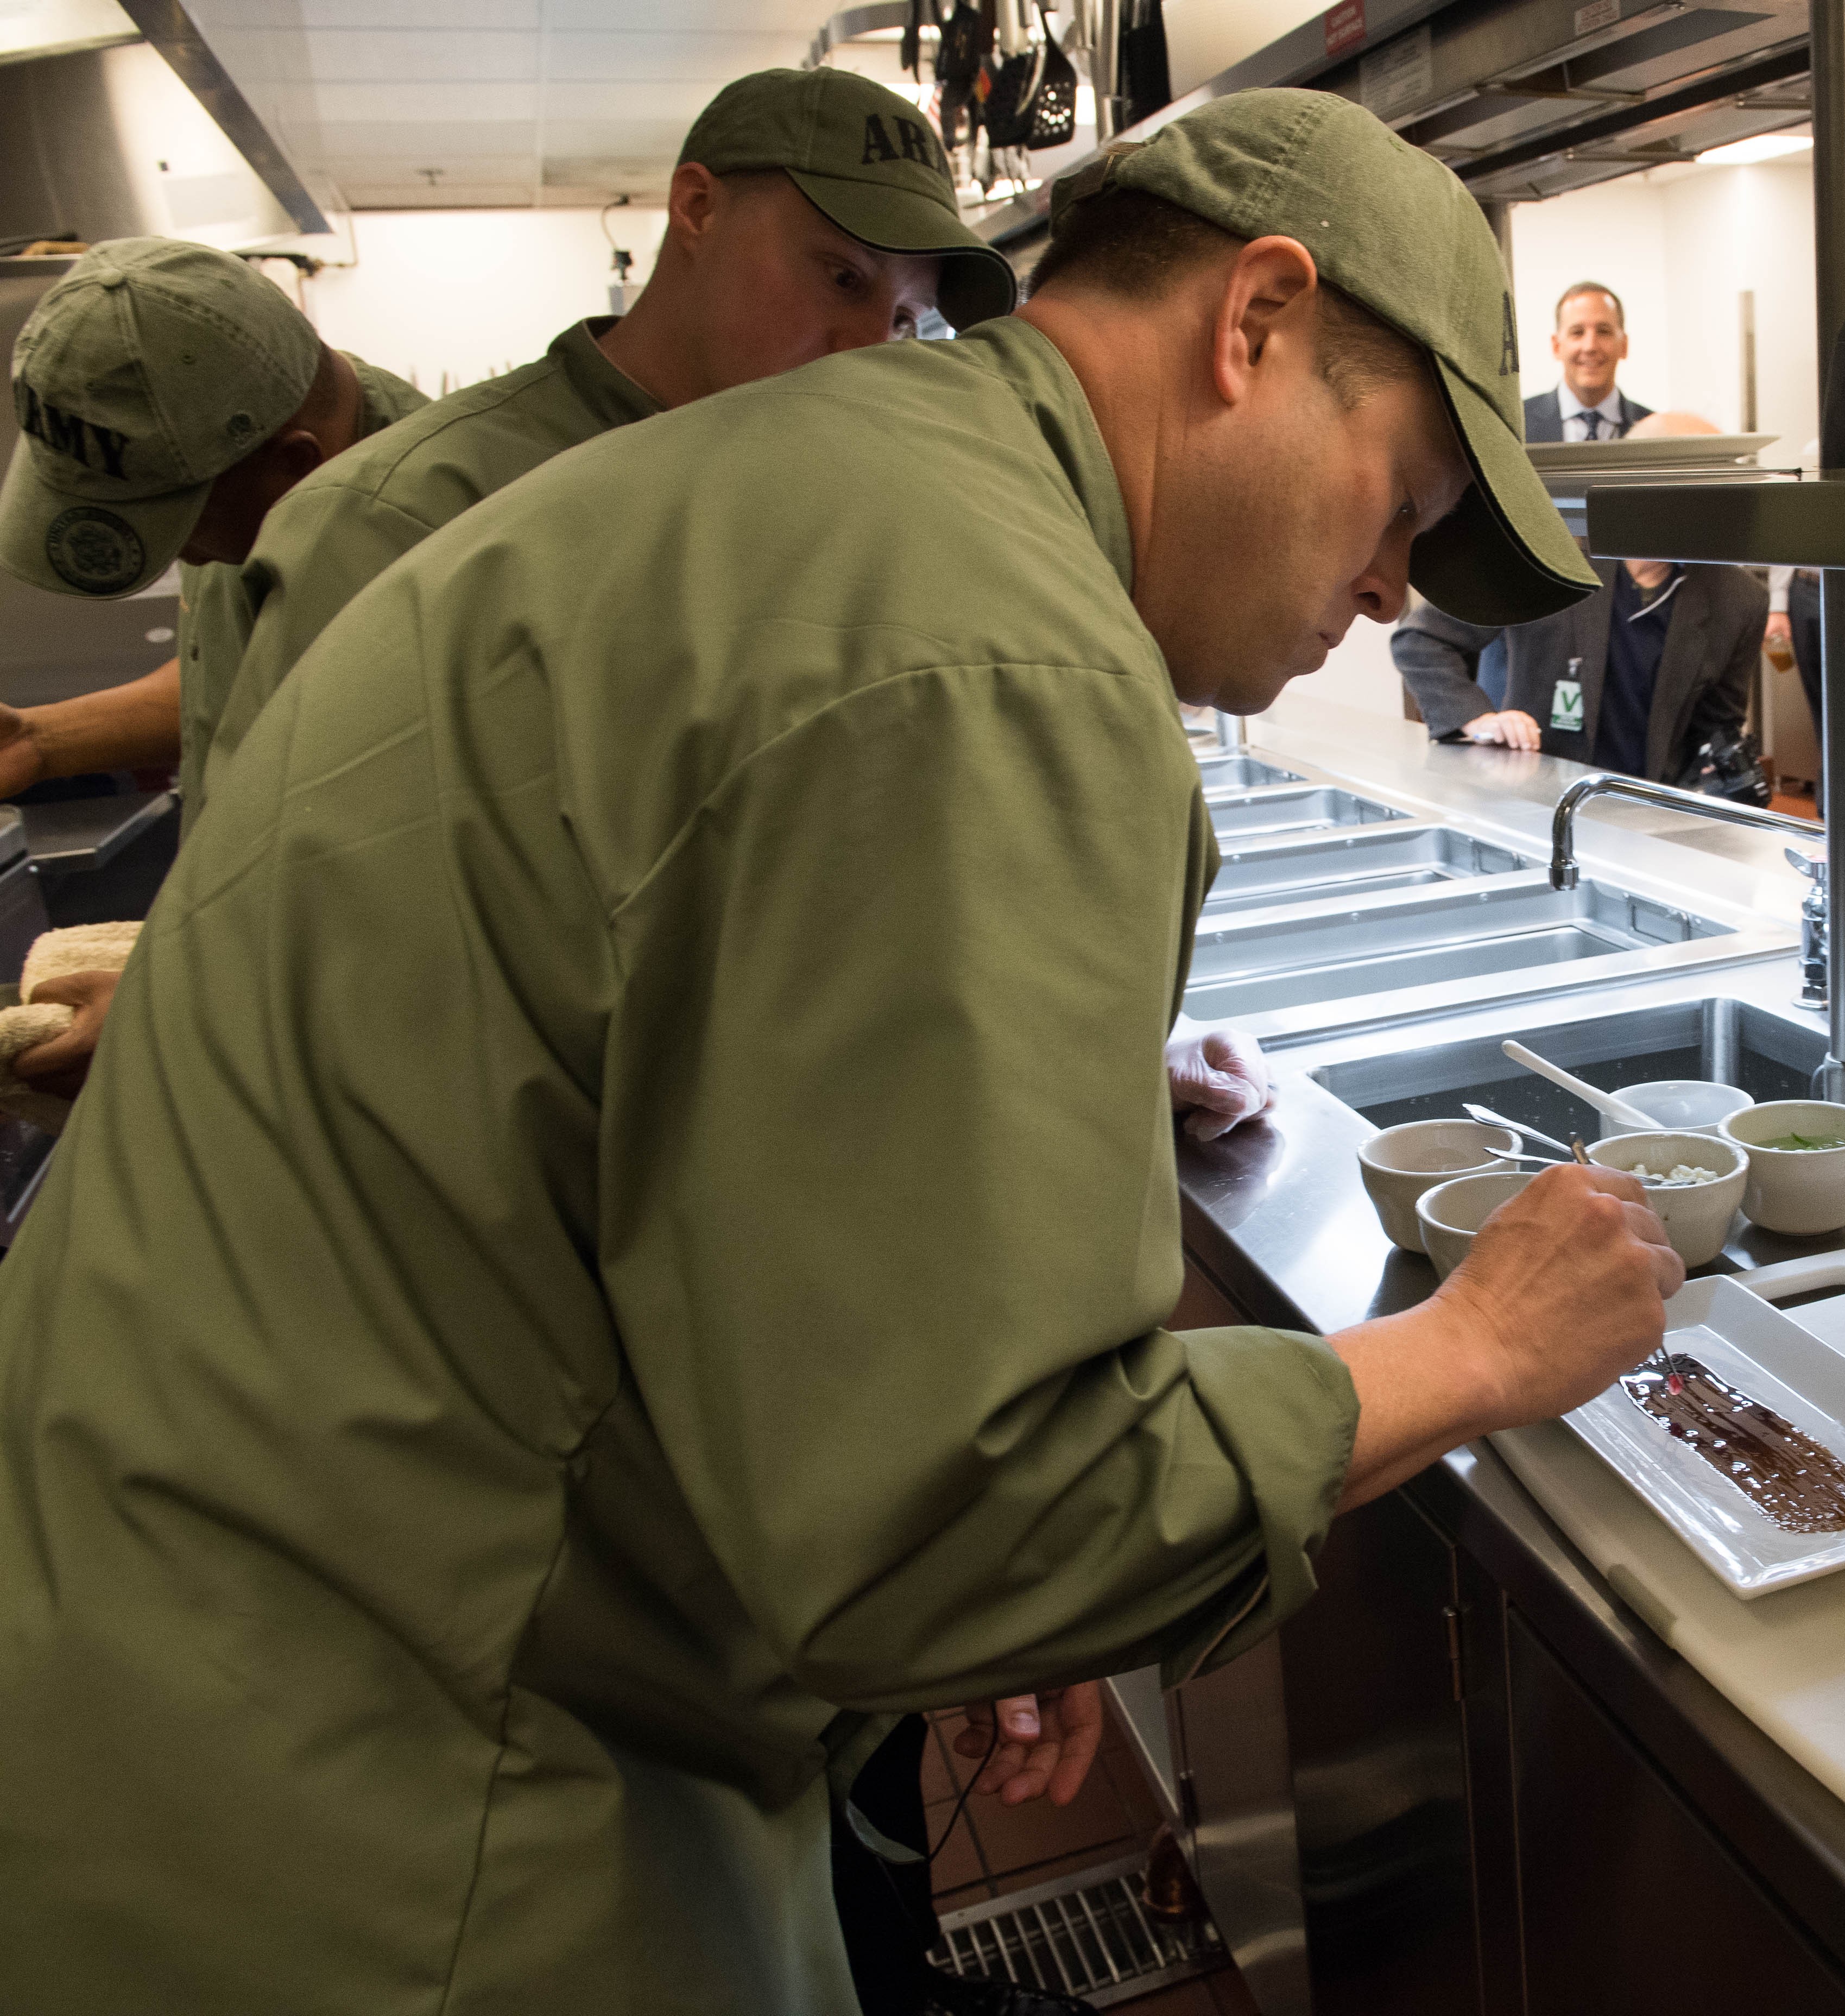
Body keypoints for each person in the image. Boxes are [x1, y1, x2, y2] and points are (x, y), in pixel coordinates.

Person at [0, 86, 1676, 2015]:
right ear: (1257, 324)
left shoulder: (828, 487)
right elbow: (977, 1533)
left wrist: (971, 1414)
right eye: (1410, 501)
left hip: (180, 1694)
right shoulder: (991, 654)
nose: (1393, 586)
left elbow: (690, 1144)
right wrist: (1465, 1350)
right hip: (403, 1826)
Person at [194, 66, 1016, 832]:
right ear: (698, 207)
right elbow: (291, 890)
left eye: (908, 321)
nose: (868, 348)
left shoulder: (847, 521)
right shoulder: (408, 515)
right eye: (843, 278)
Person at [0, 239, 427, 1089]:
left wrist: (195, 1006)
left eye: (176, 523)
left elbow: (424, 911)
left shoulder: (430, 558)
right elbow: (248, 681)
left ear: (293, 464)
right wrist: (41, 740)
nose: (183, 553)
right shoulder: (245, 459)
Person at [1393, 412, 1762, 786]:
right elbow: (1422, 641)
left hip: (1644, 813)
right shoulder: (1544, 555)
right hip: (1531, 793)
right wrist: (1478, 719)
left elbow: (1717, 729)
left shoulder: (1740, 601)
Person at [1519, 280, 1652, 442]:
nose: (1590, 346)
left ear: (1624, 346)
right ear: (1556, 347)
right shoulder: (1517, 425)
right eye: (1578, 332)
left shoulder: (1656, 431)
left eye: (1604, 332)